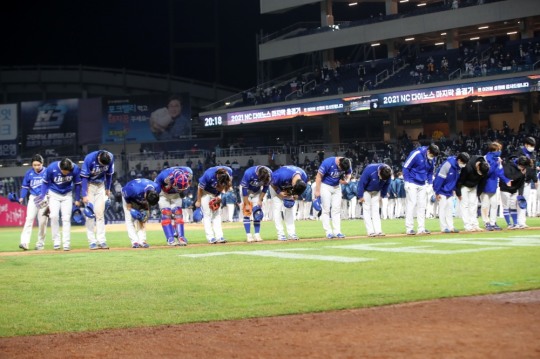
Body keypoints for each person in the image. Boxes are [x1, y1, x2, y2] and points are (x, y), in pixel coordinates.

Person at [40, 158, 82, 251]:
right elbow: (45, 182)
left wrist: (78, 198)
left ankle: (66, 243)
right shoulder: (51, 168)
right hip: (54, 194)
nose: (67, 173)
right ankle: (56, 241)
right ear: (60, 167)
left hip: (67, 195)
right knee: (54, 216)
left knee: (66, 218)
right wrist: (43, 196)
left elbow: (78, 184)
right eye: (65, 171)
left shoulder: (74, 169)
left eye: (68, 171)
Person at [80, 150, 114, 250]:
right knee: (90, 214)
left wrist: (108, 188)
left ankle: (102, 240)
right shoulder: (89, 158)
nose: (103, 166)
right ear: (99, 158)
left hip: (101, 186)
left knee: (100, 214)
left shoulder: (110, 157)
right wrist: (84, 194)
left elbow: (109, 174)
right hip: (90, 185)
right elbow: (84, 178)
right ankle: (92, 242)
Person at [402, 143, 440, 235]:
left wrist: (430, 184)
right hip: (412, 182)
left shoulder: (432, 157)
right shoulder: (416, 154)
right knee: (411, 205)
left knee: (422, 206)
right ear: (428, 151)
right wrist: (407, 181)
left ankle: (421, 228)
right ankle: (409, 228)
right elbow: (406, 167)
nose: (432, 157)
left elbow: (430, 171)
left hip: (423, 184)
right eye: (432, 155)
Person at [314, 156, 352, 238]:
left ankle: (337, 231)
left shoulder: (346, 162)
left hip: (337, 187)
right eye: (340, 168)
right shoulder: (328, 162)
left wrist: (347, 180)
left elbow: (349, 173)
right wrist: (317, 191)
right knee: (326, 209)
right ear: (338, 162)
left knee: (336, 209)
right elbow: (319, 176)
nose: (341, 170)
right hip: (325, 186)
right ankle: (328, 232)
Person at [154, 166, 193, 246]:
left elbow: (189, 183)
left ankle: (181, 236)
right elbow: (156, 188)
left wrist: (181, 191)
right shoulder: (163, 177)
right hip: (163, 194)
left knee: (178, 213)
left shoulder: (189, 173)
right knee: (166, 214)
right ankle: (170, 238)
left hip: (175, 195)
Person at [433, 152, 470, 233]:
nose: (464, 164)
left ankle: (451, 227)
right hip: (442, 190)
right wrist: (437, 192)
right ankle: (443, 227)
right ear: (459, 160)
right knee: (442, 208)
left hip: (449, 190)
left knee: (449, 209)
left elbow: (455, 179)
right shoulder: (448, 165)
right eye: (463, 162)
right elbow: (439, 178)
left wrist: (454, 189)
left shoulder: (458, 167)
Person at [17, 154, 49, 250]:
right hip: (33, 198)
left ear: (42, 163)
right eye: (34, 165)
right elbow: (25, 187)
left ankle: (40, 243)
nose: (36, 167)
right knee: (29, 219)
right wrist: (22, 197)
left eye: (38, 165)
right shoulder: (29, 173)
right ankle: (24, 242)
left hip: (45, 198)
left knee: (43, 221)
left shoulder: (47, 171)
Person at [195, 166, 233, 244]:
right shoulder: (208, 175)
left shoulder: (229, 172)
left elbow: (227, 186)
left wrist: (220, 196)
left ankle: (219, 236)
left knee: (217, 214)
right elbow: (200, 188)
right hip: (205, 192)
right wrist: (198, 201)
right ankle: (210, 237)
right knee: (207, 214)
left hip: (216, 193)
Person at [269, 165, 308, 241]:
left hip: (288, 187)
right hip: (277, 186)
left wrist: (296, 194)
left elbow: (301, 189)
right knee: (277, 208)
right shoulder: (281, 175)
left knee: (289, 207)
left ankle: (291, 233)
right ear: (293, 183)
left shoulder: (304, 177)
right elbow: (271, 182)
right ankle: (280, 234)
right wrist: (279, 192)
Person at [479, 142, 511, 231]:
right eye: (499, 150)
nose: (500, 151)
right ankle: (486, 222)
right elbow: (487, 172)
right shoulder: (485, 158)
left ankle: (493, 222)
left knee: (494, 205)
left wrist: (506, 180)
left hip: (494, 185)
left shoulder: (498, 159)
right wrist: (496, 163)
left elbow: (500, 172)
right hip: (485, 184)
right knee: (485, 205)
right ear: (494, 150)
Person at [121, 178, 161, 248]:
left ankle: (142, 241)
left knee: (142, 218)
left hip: (140, 197)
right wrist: (129, 206)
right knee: (130, 219)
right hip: (128, 196)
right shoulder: (133, 190)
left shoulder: (157, 188)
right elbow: (124, 191)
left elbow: (149, 201)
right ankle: (134, 242)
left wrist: (146, 209)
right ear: (145, 195)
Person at [455, 154, 490, 232]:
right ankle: (467, 226)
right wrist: (458, 193)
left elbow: (482, 183)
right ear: (477, 166)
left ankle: (475, 225)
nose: (480, 174)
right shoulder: (468, 167)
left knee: (474, 206)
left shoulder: (485, 168)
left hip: (474, 187)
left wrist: (478, 194)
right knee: (465, 206)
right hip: (464, 186)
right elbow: (460, 180)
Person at [357, 163, 392, 237]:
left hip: (377, 192)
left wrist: (382, 195)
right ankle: (370, 231)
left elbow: (387, 184)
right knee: (367, 210)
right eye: (381, 177)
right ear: (379, 171)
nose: (382, 179)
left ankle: (378, 231)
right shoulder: (370, 170)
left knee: (376, 210)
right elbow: (361, 183)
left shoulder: (388, 172)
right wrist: (360, 195)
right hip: (366, 191)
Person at [240, 165, 272, 242]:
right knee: (247, 212)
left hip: (257, 192)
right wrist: (247, 204)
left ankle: (257, 234)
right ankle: (248, 235)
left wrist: (260, 200)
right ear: (257, 173)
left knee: (257, 213)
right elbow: (244, 189)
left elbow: (265, 188)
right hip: (246, 190)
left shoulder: (269, 174)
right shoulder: (248, 173)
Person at [499, 155, 531, 229]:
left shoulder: (523, 169)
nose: (524, 168)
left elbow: (521, 182)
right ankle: (509, 224)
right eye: (523, 166)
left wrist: (520, 194)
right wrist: (521, 174)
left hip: (515, 190)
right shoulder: (508, 166)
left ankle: (515, 223)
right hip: (505, 189)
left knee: (513, 207)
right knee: (506, 207)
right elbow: (511, 178)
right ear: (519, 163)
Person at [513, 137, 537, 228]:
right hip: (519, 181)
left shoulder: (532, 155)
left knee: (524, 202)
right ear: (526, 144)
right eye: (531, 145)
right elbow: (514, 164)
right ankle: (515, 222)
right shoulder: (518, 153)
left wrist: (535, 180)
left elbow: (533, 168)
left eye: (533, 146)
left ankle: (522, 222)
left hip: (527, 181)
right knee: (516, 201)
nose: (532, 147)